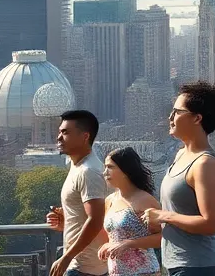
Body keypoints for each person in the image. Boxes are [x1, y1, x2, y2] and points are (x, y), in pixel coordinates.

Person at [144, 81, 215, 276]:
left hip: (198, 266)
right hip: (177, 263)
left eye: (177, 112)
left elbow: (210, 224)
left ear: (197, 118)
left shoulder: (204, 164)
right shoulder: (180, 155)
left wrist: (163, 216)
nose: (170, 117)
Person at [46, 110, 108, 276]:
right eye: (59, 132)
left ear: (85, 136)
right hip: (80, 265)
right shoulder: (77, 166)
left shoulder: (89, 172)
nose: (59, 137)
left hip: (85, 268)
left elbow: (96, 220)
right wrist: (65, 219)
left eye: (65, 132)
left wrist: (66, 258)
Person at [98, 148, 161, 276]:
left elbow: (164, 237)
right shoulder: (109, 200)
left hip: (145, 271)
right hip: (116, 272)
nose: (105, 172)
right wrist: (107, 246)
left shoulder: (145, 200)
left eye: (110, 167)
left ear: (125, 171)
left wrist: (130, 244)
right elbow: (111, 234)